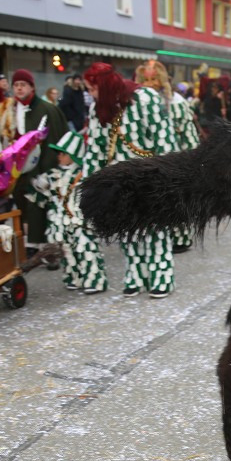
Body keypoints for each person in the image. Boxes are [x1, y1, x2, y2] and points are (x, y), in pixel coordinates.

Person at [81, 62, 176, 298]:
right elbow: (94, 148)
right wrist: (88, 184)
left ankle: (161, 275)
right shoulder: (98, 109)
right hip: (117, 179)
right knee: (124, 227)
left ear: (103, 85)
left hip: (148, 174)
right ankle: (134, 272)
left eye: (92, 89)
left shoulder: (145, 99)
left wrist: (168, 175)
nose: (90, 95)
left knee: (154, 228)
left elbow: (164, 138)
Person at [0, 69, 68, 259]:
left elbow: (56, 138)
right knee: (21, 205)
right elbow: (1, 139)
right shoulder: (8, 110)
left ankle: (48, 247)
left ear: (31, 87)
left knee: (40, 206)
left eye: (23, 85)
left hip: (40, 165)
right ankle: (30, 244)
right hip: (17, 168)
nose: (19, 88)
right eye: (16, 85)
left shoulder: (46, 109)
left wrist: (50, 168)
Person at [135, 59, 201, 254]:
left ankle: (180, 236)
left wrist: (191, 158)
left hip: (174, 156)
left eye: (154, 79)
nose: (150, 84)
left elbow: (187, 132)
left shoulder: (176, 102)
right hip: (147, 158)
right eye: (145, 79)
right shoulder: (138, 101)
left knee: (175, 198)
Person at [31, 131, 104, 294]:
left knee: (86, 248)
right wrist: (38, 185)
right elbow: (40, 196)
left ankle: (94, 280)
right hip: (59, 221)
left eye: (63, 153)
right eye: (59, 153)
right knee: (66, 251)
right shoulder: (52, 174)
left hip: (79, 220)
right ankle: (73, 277)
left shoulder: (84, 175)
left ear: (73, 155)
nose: (60, 157)